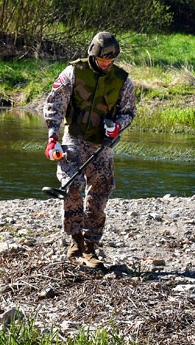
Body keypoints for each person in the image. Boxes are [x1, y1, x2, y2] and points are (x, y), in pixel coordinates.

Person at [43, 31, 136, 269]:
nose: (106, 63)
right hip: (74, 138)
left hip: (102, 144)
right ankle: (75, 242)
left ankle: (91, 246)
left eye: (110, 60)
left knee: (100, 193)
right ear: (93, 55)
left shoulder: (122, 80)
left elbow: (129, 112)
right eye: (102, 59)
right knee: (71, 185)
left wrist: (118, 127)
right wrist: (52, 138)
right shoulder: (73, 72)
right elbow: (54, 104)